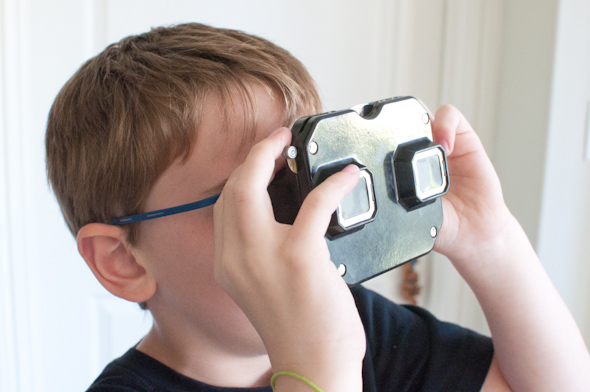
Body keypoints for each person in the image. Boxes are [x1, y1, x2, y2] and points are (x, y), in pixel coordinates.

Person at [45, 22, 590, 391]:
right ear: (125, 261)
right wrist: (315, 366)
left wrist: (494, 245)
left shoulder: (358, 323)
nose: (313, 220)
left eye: (310, 176)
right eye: (259, 196)